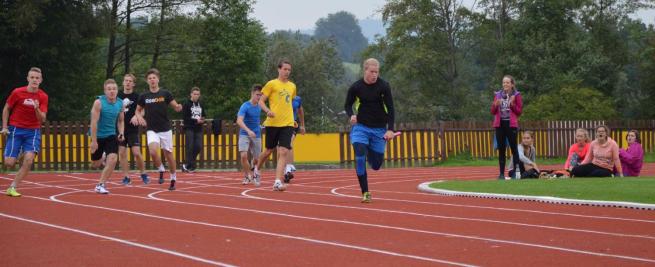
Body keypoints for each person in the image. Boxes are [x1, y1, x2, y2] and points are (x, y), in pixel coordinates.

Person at [344, 58, 396, 203]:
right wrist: (351, 115)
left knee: (376, 165)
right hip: (361, 127)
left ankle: (371, 153)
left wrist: (390, 129)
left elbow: (391, 109)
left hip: (379, 129)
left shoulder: (384, 86)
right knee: (360, 155)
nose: (374, 75)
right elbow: (347, 105)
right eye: (372, 72)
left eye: (377, 72)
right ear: (365, 70)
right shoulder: (356, 87)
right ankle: (365, 192)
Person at [131, 68, 183, 190]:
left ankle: (173, 177)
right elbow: (137, 110)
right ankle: (161, 168)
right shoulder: (144, 96)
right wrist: (139, 118)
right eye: (150, 78)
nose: (152, 80)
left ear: (158, 79)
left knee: (168, 154)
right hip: (152, 129)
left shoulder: (165, 93)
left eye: (154, 78)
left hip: (165, 129)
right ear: (147, 81)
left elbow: (175, 105)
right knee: (153, 151)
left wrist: (178, 107)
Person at [1, 67, 49, 197]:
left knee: (29, 160)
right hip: (16, 128)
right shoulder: (17, 92)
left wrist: (37, 108)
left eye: (37, 78)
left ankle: (12, 187)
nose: (34, 80)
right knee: (9, 163)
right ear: (28, 78)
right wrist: (5, 127)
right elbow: (6, 109)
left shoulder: (43, 96)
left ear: (41, 80)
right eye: (32, 77)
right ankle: (20, 152)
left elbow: (42, 119)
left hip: (33, 131)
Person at [253, 59, 296, 191]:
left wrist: (292, 118)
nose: (287, 72)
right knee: (268, 151)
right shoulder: (272, 84)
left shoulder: (292, 86)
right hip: (273, 123)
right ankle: (256, 168)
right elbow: (261, 101)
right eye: (285, 69)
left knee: (283, 151)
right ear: (279, 69)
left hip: (287, 123)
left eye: (289, 70)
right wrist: (267, 111)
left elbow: (289, 103)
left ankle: (277, 182)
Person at [89, 79, 125, 194]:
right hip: (98, 136)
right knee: (95, 164)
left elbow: (120, 121)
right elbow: (94, 122)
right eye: (109, 89)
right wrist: (94, 141)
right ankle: (102, 157)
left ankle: (100, 184)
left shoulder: (120, 103)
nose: (112, 91)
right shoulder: (99, 103)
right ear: (105, 91)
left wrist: (121, 132)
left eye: (114, 89)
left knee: (113, 159)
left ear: (117, 90)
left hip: (111, 135)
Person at [118, 73, 149, 185]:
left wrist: (137, 116)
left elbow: (143, 111)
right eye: (126, 80)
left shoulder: (137, 97)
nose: (128, 82)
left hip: (132, 128)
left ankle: (143, 173)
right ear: (123, 82)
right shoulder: (118, 96)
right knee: (121, 153)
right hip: (120, 128)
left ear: (133, 84)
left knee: (136, 152)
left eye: (130, 81)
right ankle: (126, 177)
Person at [490, 75, 523, 180]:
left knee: (514, 149)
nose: (505, 84)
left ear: (512, 84)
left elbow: (519, 112)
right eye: (504, 82)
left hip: (511, 124)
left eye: (507, 82)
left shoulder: (516, 95)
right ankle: (501, 174)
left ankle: (516, 173)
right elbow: (492, 111)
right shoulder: (498, 95)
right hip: (500, 125)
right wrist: (496, 104)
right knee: (501, 149)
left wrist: (512, 104)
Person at [236, 85, 263, 185]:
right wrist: (248, 131)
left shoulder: (261, 105)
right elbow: (239, 121)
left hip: (256, 135)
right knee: (243, 155)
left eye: (260, 95)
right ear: (252, 94)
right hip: (245, 133)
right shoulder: (245, 106)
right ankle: (247, 176)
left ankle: (255, 170)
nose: (259, 97)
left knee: (257, 159)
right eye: (257, 95)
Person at [181, 87, 206, 173]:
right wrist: (196, 120)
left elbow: (204, 115)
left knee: (198, 146)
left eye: (198, 94)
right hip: (189, 128)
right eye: (194, 94)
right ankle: (189, 165)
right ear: (191, 94)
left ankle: (188, 164)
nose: (196, 96)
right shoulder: (186, 104)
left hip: (198, 128)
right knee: (190, 146)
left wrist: (202, 119)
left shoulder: (201, 104)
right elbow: (185, 118)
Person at [284, 95, 305, 183]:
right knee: (282, 148)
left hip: (294, 124)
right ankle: (285, 171)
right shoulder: (282, 97)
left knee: (289, 143)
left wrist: (303, 125)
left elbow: (300, 111)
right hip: (282, 124)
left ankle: (289, 167)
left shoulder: (297, 99)